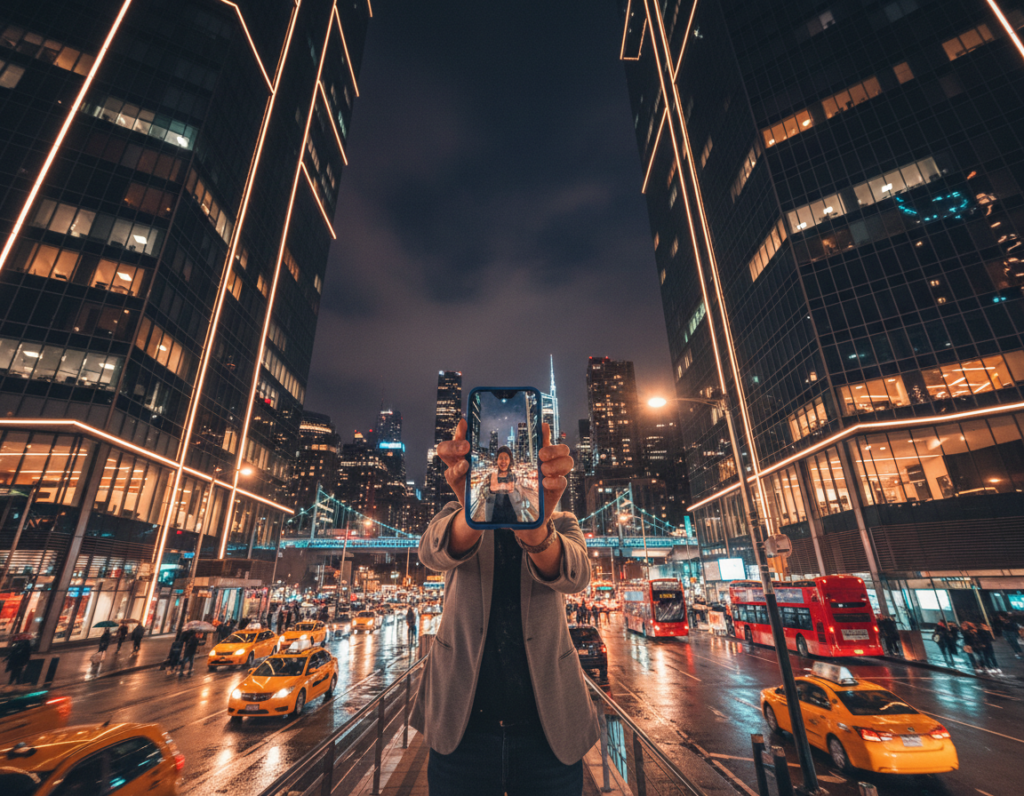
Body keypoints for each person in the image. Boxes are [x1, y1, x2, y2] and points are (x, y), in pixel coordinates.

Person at [411, 420, 598, 796]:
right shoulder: (458, 510)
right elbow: (430, 552)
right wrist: (474, 509)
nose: (503, 469)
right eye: (497, 462)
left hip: (549, 731)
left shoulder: (559, 520)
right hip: (461, 727)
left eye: (509, 464)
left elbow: (576, 576)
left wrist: (537, 531)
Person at [479, 446, 525, 525]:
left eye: (506, 458)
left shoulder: (514, 476)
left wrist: (512, 492)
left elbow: (521, 496)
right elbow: (480, 495)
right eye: (500, 458)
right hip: (494, 518)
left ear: (510, 460)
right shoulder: (491, 476)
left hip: (512, 518)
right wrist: (490, 491)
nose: (503, 461)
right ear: (497, 460)